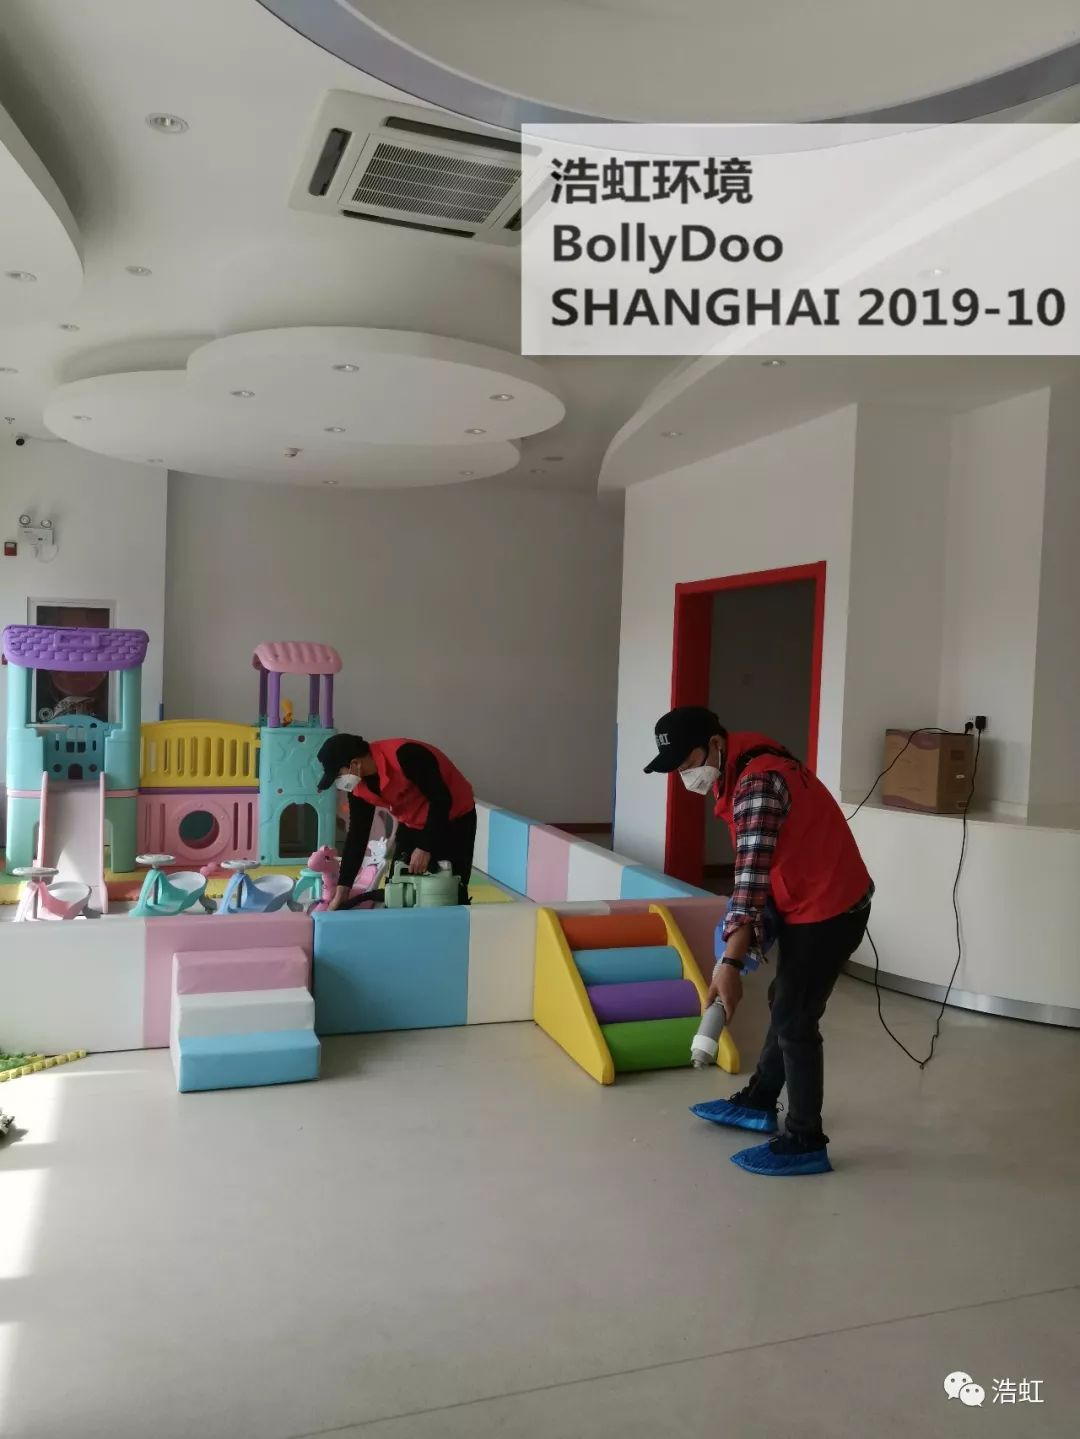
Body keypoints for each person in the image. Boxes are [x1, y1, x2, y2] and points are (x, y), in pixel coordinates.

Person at [644, 706, 872, 1177]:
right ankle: (760, 1100)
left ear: (714, 744)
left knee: (794, 1016)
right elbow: (759, 874)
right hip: (801, 893)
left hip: (832, 907)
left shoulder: (757, 785)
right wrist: (740, 940)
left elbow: (748, 883)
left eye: (688, 763)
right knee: (783, 999)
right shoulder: (741, 763)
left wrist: (729, 963)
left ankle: (804, 1141)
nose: (685, 776)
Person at [315, 734, 476, 908]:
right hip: (412, 822)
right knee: (397, 892)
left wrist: (425, 847)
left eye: (339, 775)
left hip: (453, 818)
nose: (339, 782)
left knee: (449, 891)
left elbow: (441, 800)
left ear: (355, 764)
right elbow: (357, 835)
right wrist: (343, 890)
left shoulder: (407, 755)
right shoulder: (359, 786)